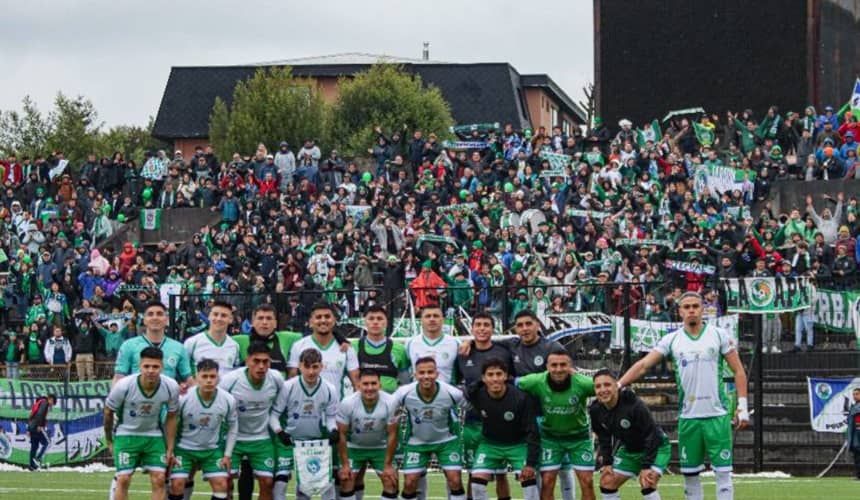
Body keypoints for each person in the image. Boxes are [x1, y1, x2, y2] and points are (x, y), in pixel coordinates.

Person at [618, 292, 750, 500]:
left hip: (718, 415)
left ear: (703, 309)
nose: (691, 310)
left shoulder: (718, 335)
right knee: (690, 477)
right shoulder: (672, 340)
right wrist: (619, 384)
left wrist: (742, 406)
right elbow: (643, 365)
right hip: (688, 418)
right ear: (679, 311)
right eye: (686, 307)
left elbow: (739, 371)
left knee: (723, 475)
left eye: (695, 306)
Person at [516, 349, 596, 500]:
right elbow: (511, 382)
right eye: (554, 365)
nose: (558, 369)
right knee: (547, 481)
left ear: (570, 366)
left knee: (587, 481)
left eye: (563, 365)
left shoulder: (583, 383)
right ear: (547, 366)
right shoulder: (536, 381)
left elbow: (609, 389)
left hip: (579, 438)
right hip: (550, 439)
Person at [104, 347, 180, 500]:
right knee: (123, 479)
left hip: (154, 436)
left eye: (155, 366)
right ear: (140, 366)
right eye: (146, 366)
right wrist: (109, 441)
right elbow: (107, 412)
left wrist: (170, 448)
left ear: (162, 367)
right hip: (126, 435)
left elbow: (172, 417)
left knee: (159, 479)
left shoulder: (171, 386)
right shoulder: (124, 385)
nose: (151, 370)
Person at [454, 313, 513, 499]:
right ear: (472, 329)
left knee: (501, 474)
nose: (482, 328)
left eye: (486, 325)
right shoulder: (463, 354)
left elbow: (511, 381)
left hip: (499, 422)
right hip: (473, 422)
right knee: (474, 472)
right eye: (478, 325)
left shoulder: (503, 352)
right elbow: (457, 383)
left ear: (492, 329)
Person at [589, 369, 671, 500]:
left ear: (616, 386)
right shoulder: (595, 410)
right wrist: (607, 462)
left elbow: (651, 434)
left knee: (647, 482)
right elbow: (603, 437)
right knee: (607, 481)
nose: (603, 389)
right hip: (630, 450)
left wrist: (646, 466)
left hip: (657, 447)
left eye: (607, 385)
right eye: (598, 386)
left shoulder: (633, 404)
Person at [270, 347, 340, 500]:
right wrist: (279, 432)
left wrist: (333, 430)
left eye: (315, 366)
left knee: (309, 488)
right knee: (280, 483)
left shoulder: (329, 389)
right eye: (306, 366)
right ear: (300, 366)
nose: (311, 372)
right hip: (288, 442)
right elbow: (274, 416)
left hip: (314, 443)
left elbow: (330, 418)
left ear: (322, 366)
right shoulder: (288, 387)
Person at [466, 357, 540, 500]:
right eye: (490, 375)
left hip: (518, 445)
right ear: (483, 378)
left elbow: (532, 431)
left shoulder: (521, 398)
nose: (495, 379)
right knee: (476, 484)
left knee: (529, 481)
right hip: (489, 445)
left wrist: (530, 463)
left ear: (506, 376)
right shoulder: (477, 394)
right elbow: (467, 391)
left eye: (499, 374)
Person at [392, 357, 466, 500]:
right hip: (417, 442)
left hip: (447, 441)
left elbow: (469, 407)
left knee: (455, 480)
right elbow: (388, 410)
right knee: (410, 482)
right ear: (415, 374)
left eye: (430, 372)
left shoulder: (452, 393)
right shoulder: (404, 393)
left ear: (437, 374)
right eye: (422, 372)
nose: (426, 376)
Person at [220, 343, 284, 500]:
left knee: (267, 482)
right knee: (225, 483)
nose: (261, 366)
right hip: (233, 439)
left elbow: (281, 406)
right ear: (247, 360)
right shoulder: (231, 380)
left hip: (261, 439)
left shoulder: (276, 379)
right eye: (256, 361)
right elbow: (218, 406)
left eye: (265, 361)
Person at [168, 359, 238, 500]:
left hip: (212, 450)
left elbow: (233, 426)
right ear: (196, 378)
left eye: (212, 377)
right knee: (177, 484)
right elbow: (171, 423)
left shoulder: (228, 400)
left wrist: (227, 454)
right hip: (184, 449)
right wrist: (170, 450)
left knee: (221, 485)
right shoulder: (183, 399)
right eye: (204, 376)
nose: (208, 381)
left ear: (218, 378)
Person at [336, 369, 400, 500]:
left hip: (380, 448)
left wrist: (388, 465)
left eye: (373, 383)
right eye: (365, 384)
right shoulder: (347, 403)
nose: (369, 388)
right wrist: (345, 465)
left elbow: (392, 434)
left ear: (380, 385)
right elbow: (341, 434)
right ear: (358, 385)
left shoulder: (391, 402)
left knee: (391, 481)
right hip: (354, 447)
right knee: (346, 480)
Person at [287, 302, 360, 396]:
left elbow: (356, 384)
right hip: (304, 408)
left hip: (336, 409)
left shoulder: (346, 348)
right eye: (318, 317)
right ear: (310, 322)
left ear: (334, 320)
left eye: (327, 316)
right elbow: (291, 381)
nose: (323, 320)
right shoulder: (298, 346)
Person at [353, 305, 410, 393]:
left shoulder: (399, 349)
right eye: (371, 318)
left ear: (386, 322)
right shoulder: (353, 347)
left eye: (379, 319)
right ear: (365, 322)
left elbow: (405, 383)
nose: (375, 322)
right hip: (361, 402)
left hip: (390, 402)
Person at [183, 300, 241, 376]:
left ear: (230, 319)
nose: (219, 318)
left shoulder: (235, 346)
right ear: (209, 316)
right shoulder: (192, 342)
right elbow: (183, 371)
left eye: (223, 315)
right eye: (215, 314)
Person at [405, 306, 460, 383]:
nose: (432, 319)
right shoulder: (410, 343)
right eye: (428, 316)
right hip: (418, 393)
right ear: (421, 320)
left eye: (436, 316)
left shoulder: (455, 343)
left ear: (442, 320)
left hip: (446, 393)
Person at [27, 393, 56, 470]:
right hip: (37, 427)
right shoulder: (45, 403)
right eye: (52, 403)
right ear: (50, 399)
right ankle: (38, 458)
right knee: (47, 442)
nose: (51, 406)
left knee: (34, 446)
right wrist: (40, 425)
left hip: (32, 427)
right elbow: (40, 414)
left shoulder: (39, 402)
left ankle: (32, 465)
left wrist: (29, 429)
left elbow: (31, 415)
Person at [848, 387, 860, 480]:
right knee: (856, 456)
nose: (855, 396)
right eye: (854, 394)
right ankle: (858, 475)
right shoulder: (854, 406)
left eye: (857, 394)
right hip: (855, 434)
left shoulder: (857, 407)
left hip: (858, 434)